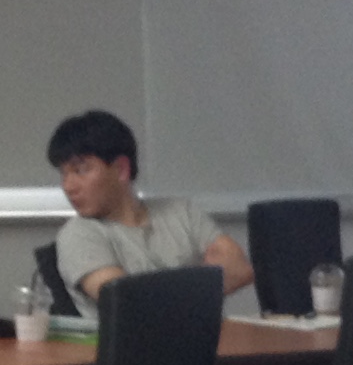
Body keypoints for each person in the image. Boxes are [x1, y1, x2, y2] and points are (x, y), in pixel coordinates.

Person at [47, 110, 253, 309]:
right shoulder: (78, 234)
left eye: (81, 170)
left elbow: (240, 269)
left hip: (208, 334)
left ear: (121, 169)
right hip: (132, 336)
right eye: (64, 174)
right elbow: (127, 302)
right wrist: (205, 281)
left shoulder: (183, 212)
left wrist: (161, 294)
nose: (68, 186)